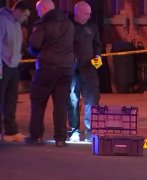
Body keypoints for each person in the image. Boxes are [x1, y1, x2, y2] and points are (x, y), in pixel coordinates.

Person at [25, 0, 74, 147]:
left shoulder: (43, 24)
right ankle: (60, 138)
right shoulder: (69, 24)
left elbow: (34, 45)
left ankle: (36, 135)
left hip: (47, 67)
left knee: (38, 101)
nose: (38, 13)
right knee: (61, 104)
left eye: (39, 11)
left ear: (44, 9)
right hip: (66, 68)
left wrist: (35, 51)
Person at [68, 1, 101, 142]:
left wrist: (98, 55)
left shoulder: (92, 27)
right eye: (86, 13)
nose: (89, 16)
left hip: (89, 69)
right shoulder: (68, 27)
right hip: (72, 69)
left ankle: (91, 131)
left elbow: (97, 44)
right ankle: (74, 130)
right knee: (73, 100)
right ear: (78, 13)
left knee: (92, 100)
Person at [0, 0, 31, 142]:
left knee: (11, 99)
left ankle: (11, 131)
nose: (25, 18)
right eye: (24, 15)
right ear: (17, 10)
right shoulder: (2, 20)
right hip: (3, 66)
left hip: (14, 66)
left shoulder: (17, 23)